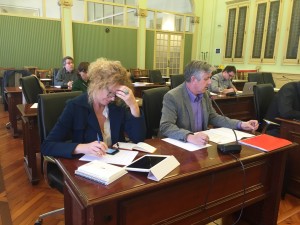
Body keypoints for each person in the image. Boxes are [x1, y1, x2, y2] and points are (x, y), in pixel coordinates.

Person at [42, 58, 146, 158]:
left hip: (115, 164)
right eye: (110, 92)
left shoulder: (117, 105)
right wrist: (83, 147)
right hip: (85, 167)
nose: (113, 98)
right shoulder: (75, 107)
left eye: (116, 93)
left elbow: (138, 139)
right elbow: (47, 146)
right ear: (97, 84)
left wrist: (133, 105)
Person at [159, 60, 259, 146]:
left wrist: (241, 124)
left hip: (201, 144)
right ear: (193, 79)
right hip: (182, 144)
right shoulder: (173, 96)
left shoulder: (205, 94)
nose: (210, 82)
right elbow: (166, 126)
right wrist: (189, 136)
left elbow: (213, 117)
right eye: (206, 78)